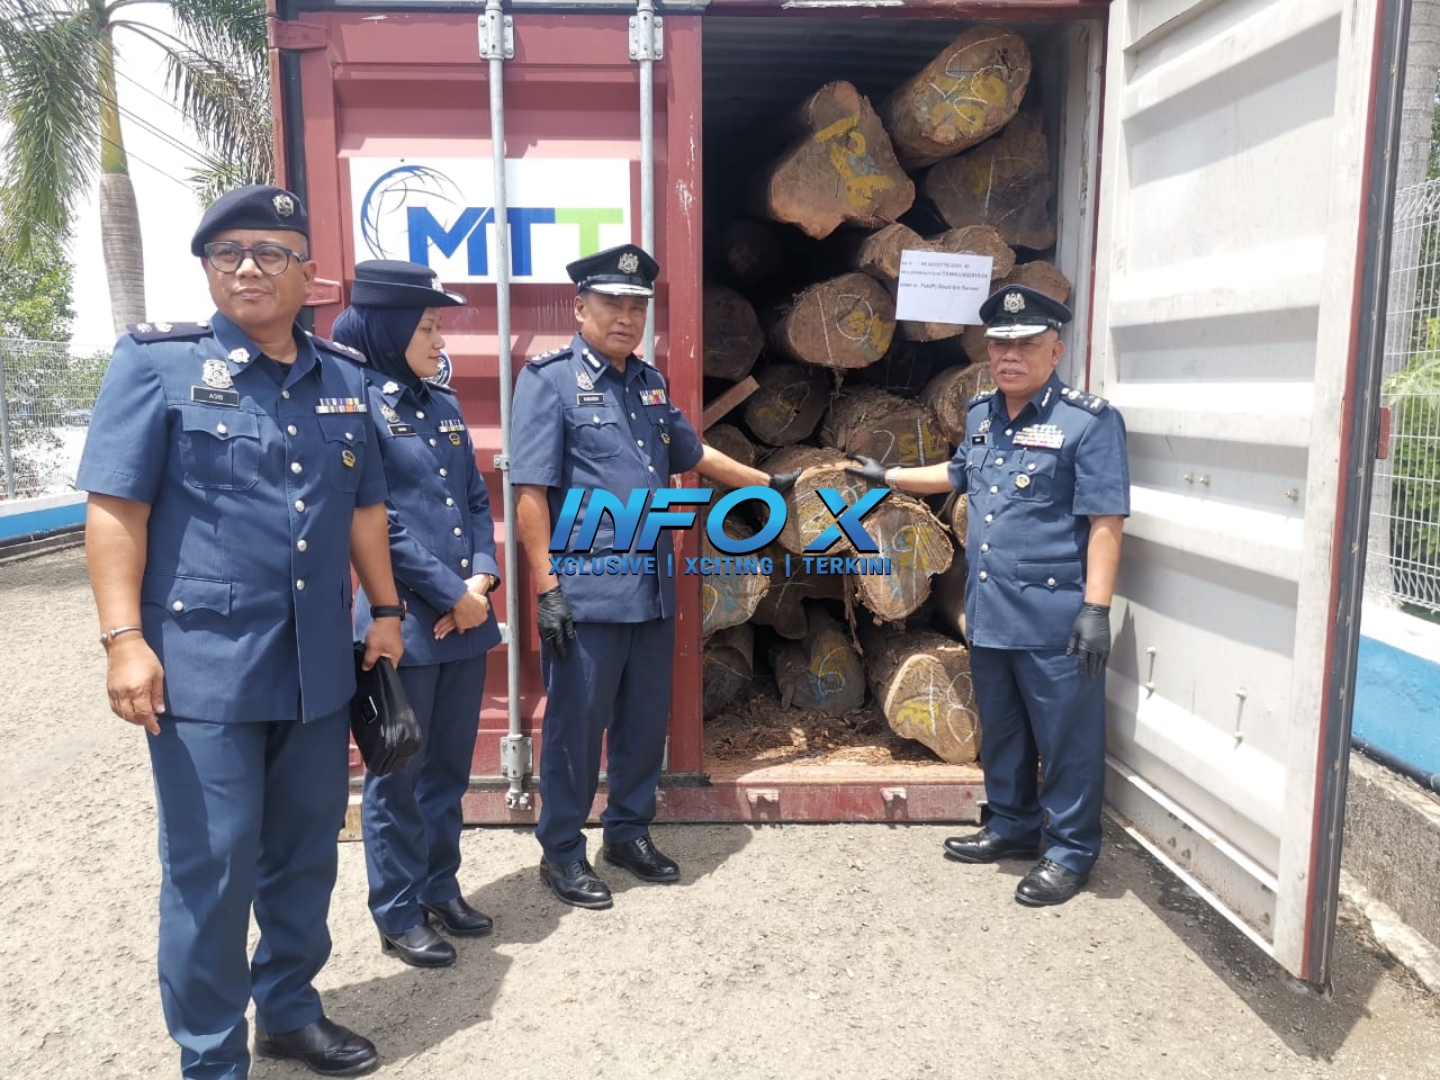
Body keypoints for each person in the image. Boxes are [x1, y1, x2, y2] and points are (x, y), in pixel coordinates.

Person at [78, 184, 403, 1079]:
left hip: (315, 671)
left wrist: (384, 612)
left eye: (269, 253)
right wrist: (123, 640)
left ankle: (289, 1013)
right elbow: (115, 510)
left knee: (303, 858)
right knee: (212, 870)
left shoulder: (343, 379)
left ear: (309, 273)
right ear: (209, 269)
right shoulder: (157, 365)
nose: (247, 268)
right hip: (204, 674)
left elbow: (365, 510)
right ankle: (211, 1057)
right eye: (227, 254)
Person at [509, 243, 798, 909]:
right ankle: (562, 851)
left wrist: (766, 483)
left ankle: (627, 832)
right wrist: (547, 589)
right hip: (587, 593)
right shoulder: (548, 381)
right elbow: (529, 494)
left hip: (651, 589)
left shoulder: (649, 383)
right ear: (579, 307)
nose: (625, 317)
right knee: (576, 730)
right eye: (612, 303)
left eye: (636, 307)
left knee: (643, 724)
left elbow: (693, 452)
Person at [847, 284, 1130, 907]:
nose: (1010, 355)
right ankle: (1012, 824)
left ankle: (1070, 850)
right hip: (991, 606)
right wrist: (889, 475)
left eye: (1025, 344)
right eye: (1000, 344)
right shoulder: (981, 415)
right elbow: (957, 474)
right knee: (1003, 730)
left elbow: (1106, 521)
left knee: (1066, 739)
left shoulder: (1087, 422)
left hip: (1055, 615)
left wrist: (1096, 609)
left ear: (1055, 351)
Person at [331, 261, 501, 968]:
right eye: (427, 327)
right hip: (402, 625)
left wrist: (482, 578)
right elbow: (377, 523)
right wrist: (452, 593)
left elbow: (476, 499)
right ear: (389, 329)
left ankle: (439, 886)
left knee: (448, 771)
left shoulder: (443, 403)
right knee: (397, 774)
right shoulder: (356, 405)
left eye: (438, 326)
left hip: (464, 621)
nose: (440, 339)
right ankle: (397, 911)